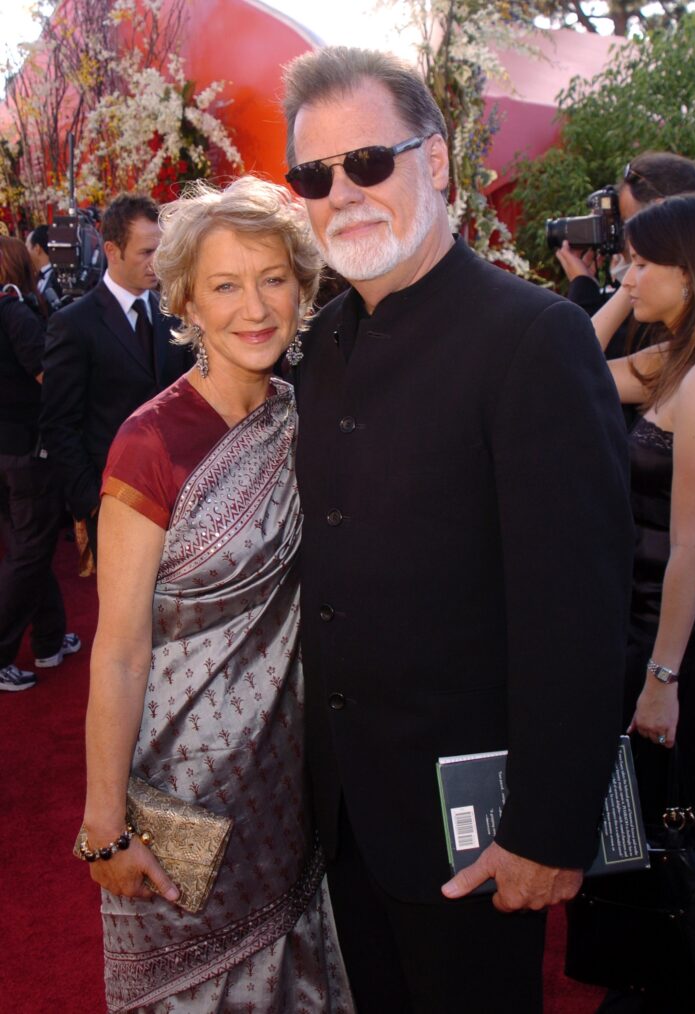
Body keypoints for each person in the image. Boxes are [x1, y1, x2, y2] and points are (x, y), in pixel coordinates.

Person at [281, 45, 634, 1014]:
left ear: (433, 162)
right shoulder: (320, 345)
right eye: (315, 176)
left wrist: (549, 831)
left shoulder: (530, 338)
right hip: (347, 816)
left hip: (478, 829)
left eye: (368, 163)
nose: (343, 194)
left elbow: (577, 611)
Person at [79, 177, 353, 1014]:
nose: (255, 307)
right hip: (181, 783)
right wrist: (104, 824)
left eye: (274, 278)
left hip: (291, 775)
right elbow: (119, 648)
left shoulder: (311, 419)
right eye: (225, 285)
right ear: (187, 302)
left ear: (303, 290)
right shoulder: (150, 442)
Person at [576, 193, 695, 1012]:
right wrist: (623, 292)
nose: (628, 274)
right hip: (637, 627)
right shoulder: (671, 359)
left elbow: (694, 545)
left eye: (642, 262)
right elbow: (571, 367)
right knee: (630, 821)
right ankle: (644, 971)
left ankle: (668, 980)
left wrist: (662, 676)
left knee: (672, 825)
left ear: (689, 273)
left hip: (677, 640)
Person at [40, 193, 193, 563]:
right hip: (115, 501)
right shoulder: (74, 324)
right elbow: (58, 424)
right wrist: (93, 503)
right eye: (145, 252)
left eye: (160, 250)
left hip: (180, 499)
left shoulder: (171, 311)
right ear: (112, 250)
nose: (156, 263)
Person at [0, 237, 80, 691]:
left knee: (31, 548)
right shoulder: (13, 311)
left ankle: (49, 639)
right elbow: (47, 376)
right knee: (30, 551)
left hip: (10, 448)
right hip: (26, 451)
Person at [555, 152, 695, 323]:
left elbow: (583, 346)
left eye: (627, 223)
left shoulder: (660, 316)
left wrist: (582, 286)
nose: (623, 238)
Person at [25, 224, 64, 311]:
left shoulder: (59, 277)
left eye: (27, 247)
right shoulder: (36, 278)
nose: (26, 253)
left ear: (37, 248)